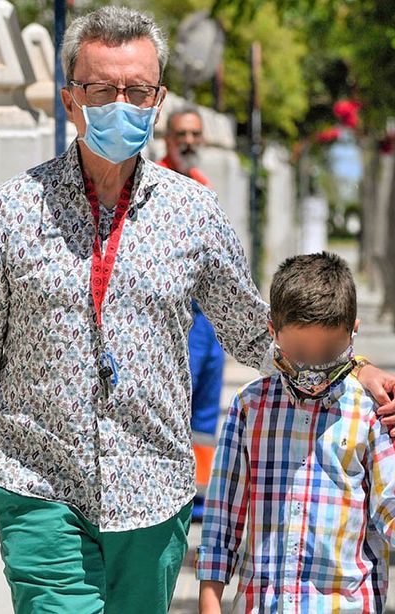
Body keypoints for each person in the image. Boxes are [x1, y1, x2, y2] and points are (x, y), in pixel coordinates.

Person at [0, 8, 395, 614]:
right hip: (39, 487)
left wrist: (355, 368)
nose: (120, 103)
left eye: (138, 90)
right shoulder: (12, 211)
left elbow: (251, 328)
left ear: (157, 99)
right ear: (71, 99)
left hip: (152, 491)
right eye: (103, 88)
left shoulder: (193, 213)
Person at [197, 253, 395, 613]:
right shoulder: (250, 408)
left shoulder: (374, 412)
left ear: (352, 332)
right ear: (272, 332)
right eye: (298, 353)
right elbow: (222, 521)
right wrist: (209, 602)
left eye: (329, 353)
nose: (313, 370)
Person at [159, 107, 226, 521]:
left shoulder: (202, 185)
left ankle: (199, 497)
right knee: (175, 403)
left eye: (195, 135)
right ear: (167, 139)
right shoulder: (154, 182)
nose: (189, 141)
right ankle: (174, 491)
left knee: (204, 412)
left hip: (208, 319)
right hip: (179, 315)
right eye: (181, 133)